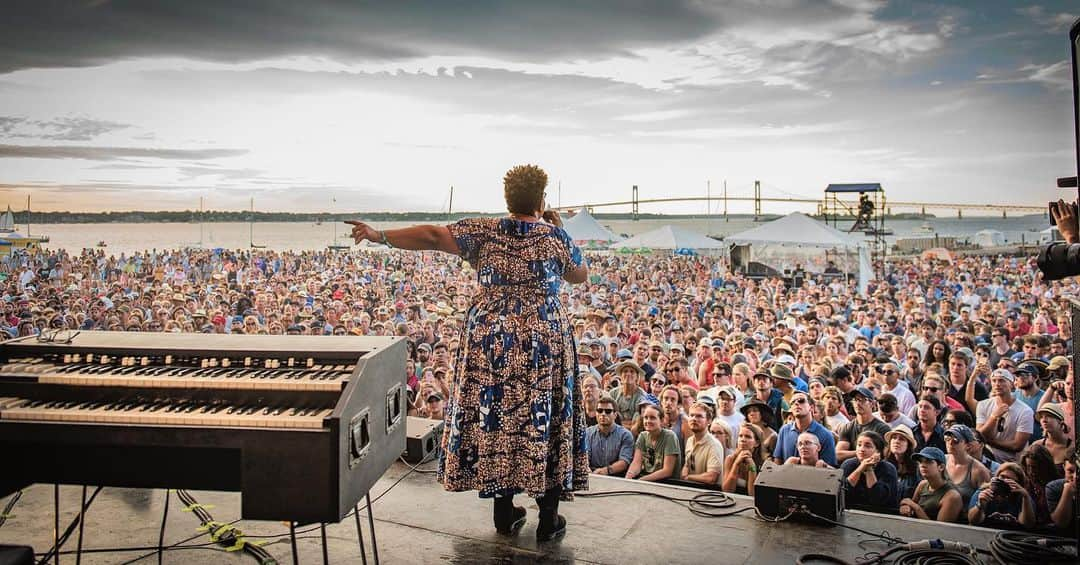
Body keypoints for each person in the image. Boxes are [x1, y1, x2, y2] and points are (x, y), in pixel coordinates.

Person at [348, 164, 589, 541]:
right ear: (542, 200)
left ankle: (504, 510)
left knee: (497, 413)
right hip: (545, 339)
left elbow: (430, 234)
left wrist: (378, 234)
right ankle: (548, 516)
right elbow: (579, 275)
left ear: (507, 200)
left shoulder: (484, 230)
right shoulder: (556, 237)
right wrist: (557, 229)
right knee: (546, 412)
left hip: (492, 338)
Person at [976, 369, 1033, 463]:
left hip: (1011, 462)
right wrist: (994, 417)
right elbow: (979, 435)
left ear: (1011, 384)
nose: (997, 384)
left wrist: (990, 442)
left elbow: (1017, 445)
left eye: (1002, 380)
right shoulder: (983, 405)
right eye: (994, 381)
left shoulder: (1025, 411)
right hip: (986, 458)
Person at [841, 430, 900, 514]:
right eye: (859, 445)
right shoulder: (848, 464)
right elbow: (843, 492)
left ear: (878, 452)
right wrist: (861, 468)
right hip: (851, 512)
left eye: (868, 446)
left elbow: (877, 498)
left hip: (881, 515)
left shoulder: (888, 469)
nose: (862, 449)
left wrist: (869, 468)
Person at [773, 391, 837, 467]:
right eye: (793, 402)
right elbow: (778, 461)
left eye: (801, 401)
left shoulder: (826, 435)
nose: (796, 403)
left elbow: (830, 471)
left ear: (811, 407)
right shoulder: (784, 430)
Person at [899, 447, 963, 523]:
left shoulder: (952, 496)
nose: (922, 465)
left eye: (928, 461)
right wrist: (906, 507)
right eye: (920, 461)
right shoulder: (922, 484)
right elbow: (910, 505)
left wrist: (916, 508)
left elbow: (939, 530)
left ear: (941, 467)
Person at [967, 462, 1038, 529]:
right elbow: (973, 521)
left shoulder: (1023, 496)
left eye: (1009, 480)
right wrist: (980, 506)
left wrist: (1025, 497)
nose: (1004, 481)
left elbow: (1027, 524)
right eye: (1002, 477)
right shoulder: (984, 491)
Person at [626, 404, 682, 482]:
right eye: (646, 418)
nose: (648, 421)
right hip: (647, 480)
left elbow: (667, 471)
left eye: (652, 418)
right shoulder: (643, 436)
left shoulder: (670, 436)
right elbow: (636, 463)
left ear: (662, 421)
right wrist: (629, 475)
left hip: (668, 483)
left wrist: (641, 480)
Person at [835, 386, 891, 464]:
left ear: (872, 404)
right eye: (855, 400)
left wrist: (854, 453)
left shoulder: (882, 428)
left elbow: (883, 455)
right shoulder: (847, 427)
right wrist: (862, 452)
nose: (858, 403)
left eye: (863, 400)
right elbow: (838, 455)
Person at [943, 424, 991, 509]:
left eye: (956, 440)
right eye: (947, 438)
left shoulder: (979, 471)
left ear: (968, 445)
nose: (950, 443)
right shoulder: (941, 460)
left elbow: (985, 505)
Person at [586, 396, 634, 478]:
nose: (603, 414)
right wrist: (587, 469)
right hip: (592, 475)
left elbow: (624, 462)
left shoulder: (626, 435)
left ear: (615, 415)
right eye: (600, 410)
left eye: (608, 411)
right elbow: (585, 456)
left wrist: (606, 471)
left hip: (616, 478)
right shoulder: (588, 433)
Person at [681, 402, 725, 487]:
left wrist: (688, 477)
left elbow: (711, 478)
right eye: (691, 415)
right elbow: (687, 465)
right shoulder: (690, 440)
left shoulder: (714, 445)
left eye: (699, 416)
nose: (694, 419)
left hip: (709, 495)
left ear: (709, 421)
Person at [722, 422, 765, 495]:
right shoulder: (730, 459)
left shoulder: (763, 464)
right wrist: (736, 464)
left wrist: (752, 467)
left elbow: (752, 494)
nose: (743, 439)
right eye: (740, 436)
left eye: (748, 437)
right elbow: (726, 490)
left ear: (757, 443)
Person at [884, 425, 921, 500]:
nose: (897, 441)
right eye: (894, 438)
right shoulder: (883, 465)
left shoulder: (917, 468)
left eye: (902, 439)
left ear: (908, 445)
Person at [1033, 404, 1073, 470]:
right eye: (1041, 417)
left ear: (1060, 422)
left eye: (1049, 416)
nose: (1044, 420)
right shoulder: (1036, 446)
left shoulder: (1072, 447)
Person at [1045, 451, 1077, 532]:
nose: (1075, 476)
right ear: (1063, 467)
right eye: (1070, 471)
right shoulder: (1053, 488)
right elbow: (1060, 523)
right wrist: (1067, 491)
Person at [610, 360, 648, 426]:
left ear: (637, 377)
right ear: (621, 376)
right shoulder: (613, 393)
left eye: (632, 371)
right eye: (625, 371)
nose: (628, 374)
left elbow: (637, 424)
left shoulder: (642, 396)